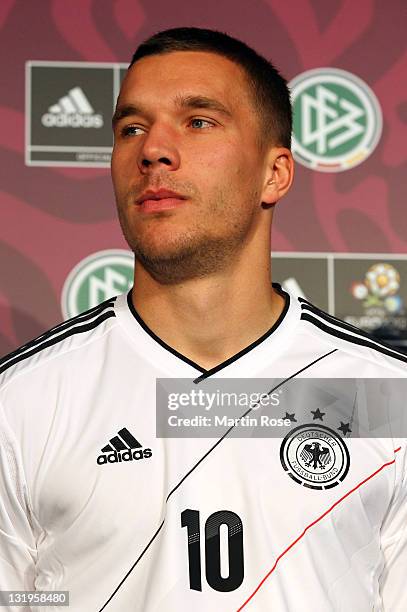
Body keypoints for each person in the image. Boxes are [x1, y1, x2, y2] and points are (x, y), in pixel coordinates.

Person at [0, 27, 406, 612]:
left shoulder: (385, 394)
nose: (153, 150)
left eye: (198, 121)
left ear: (276, 174)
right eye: (131, 129)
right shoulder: (22, 401)